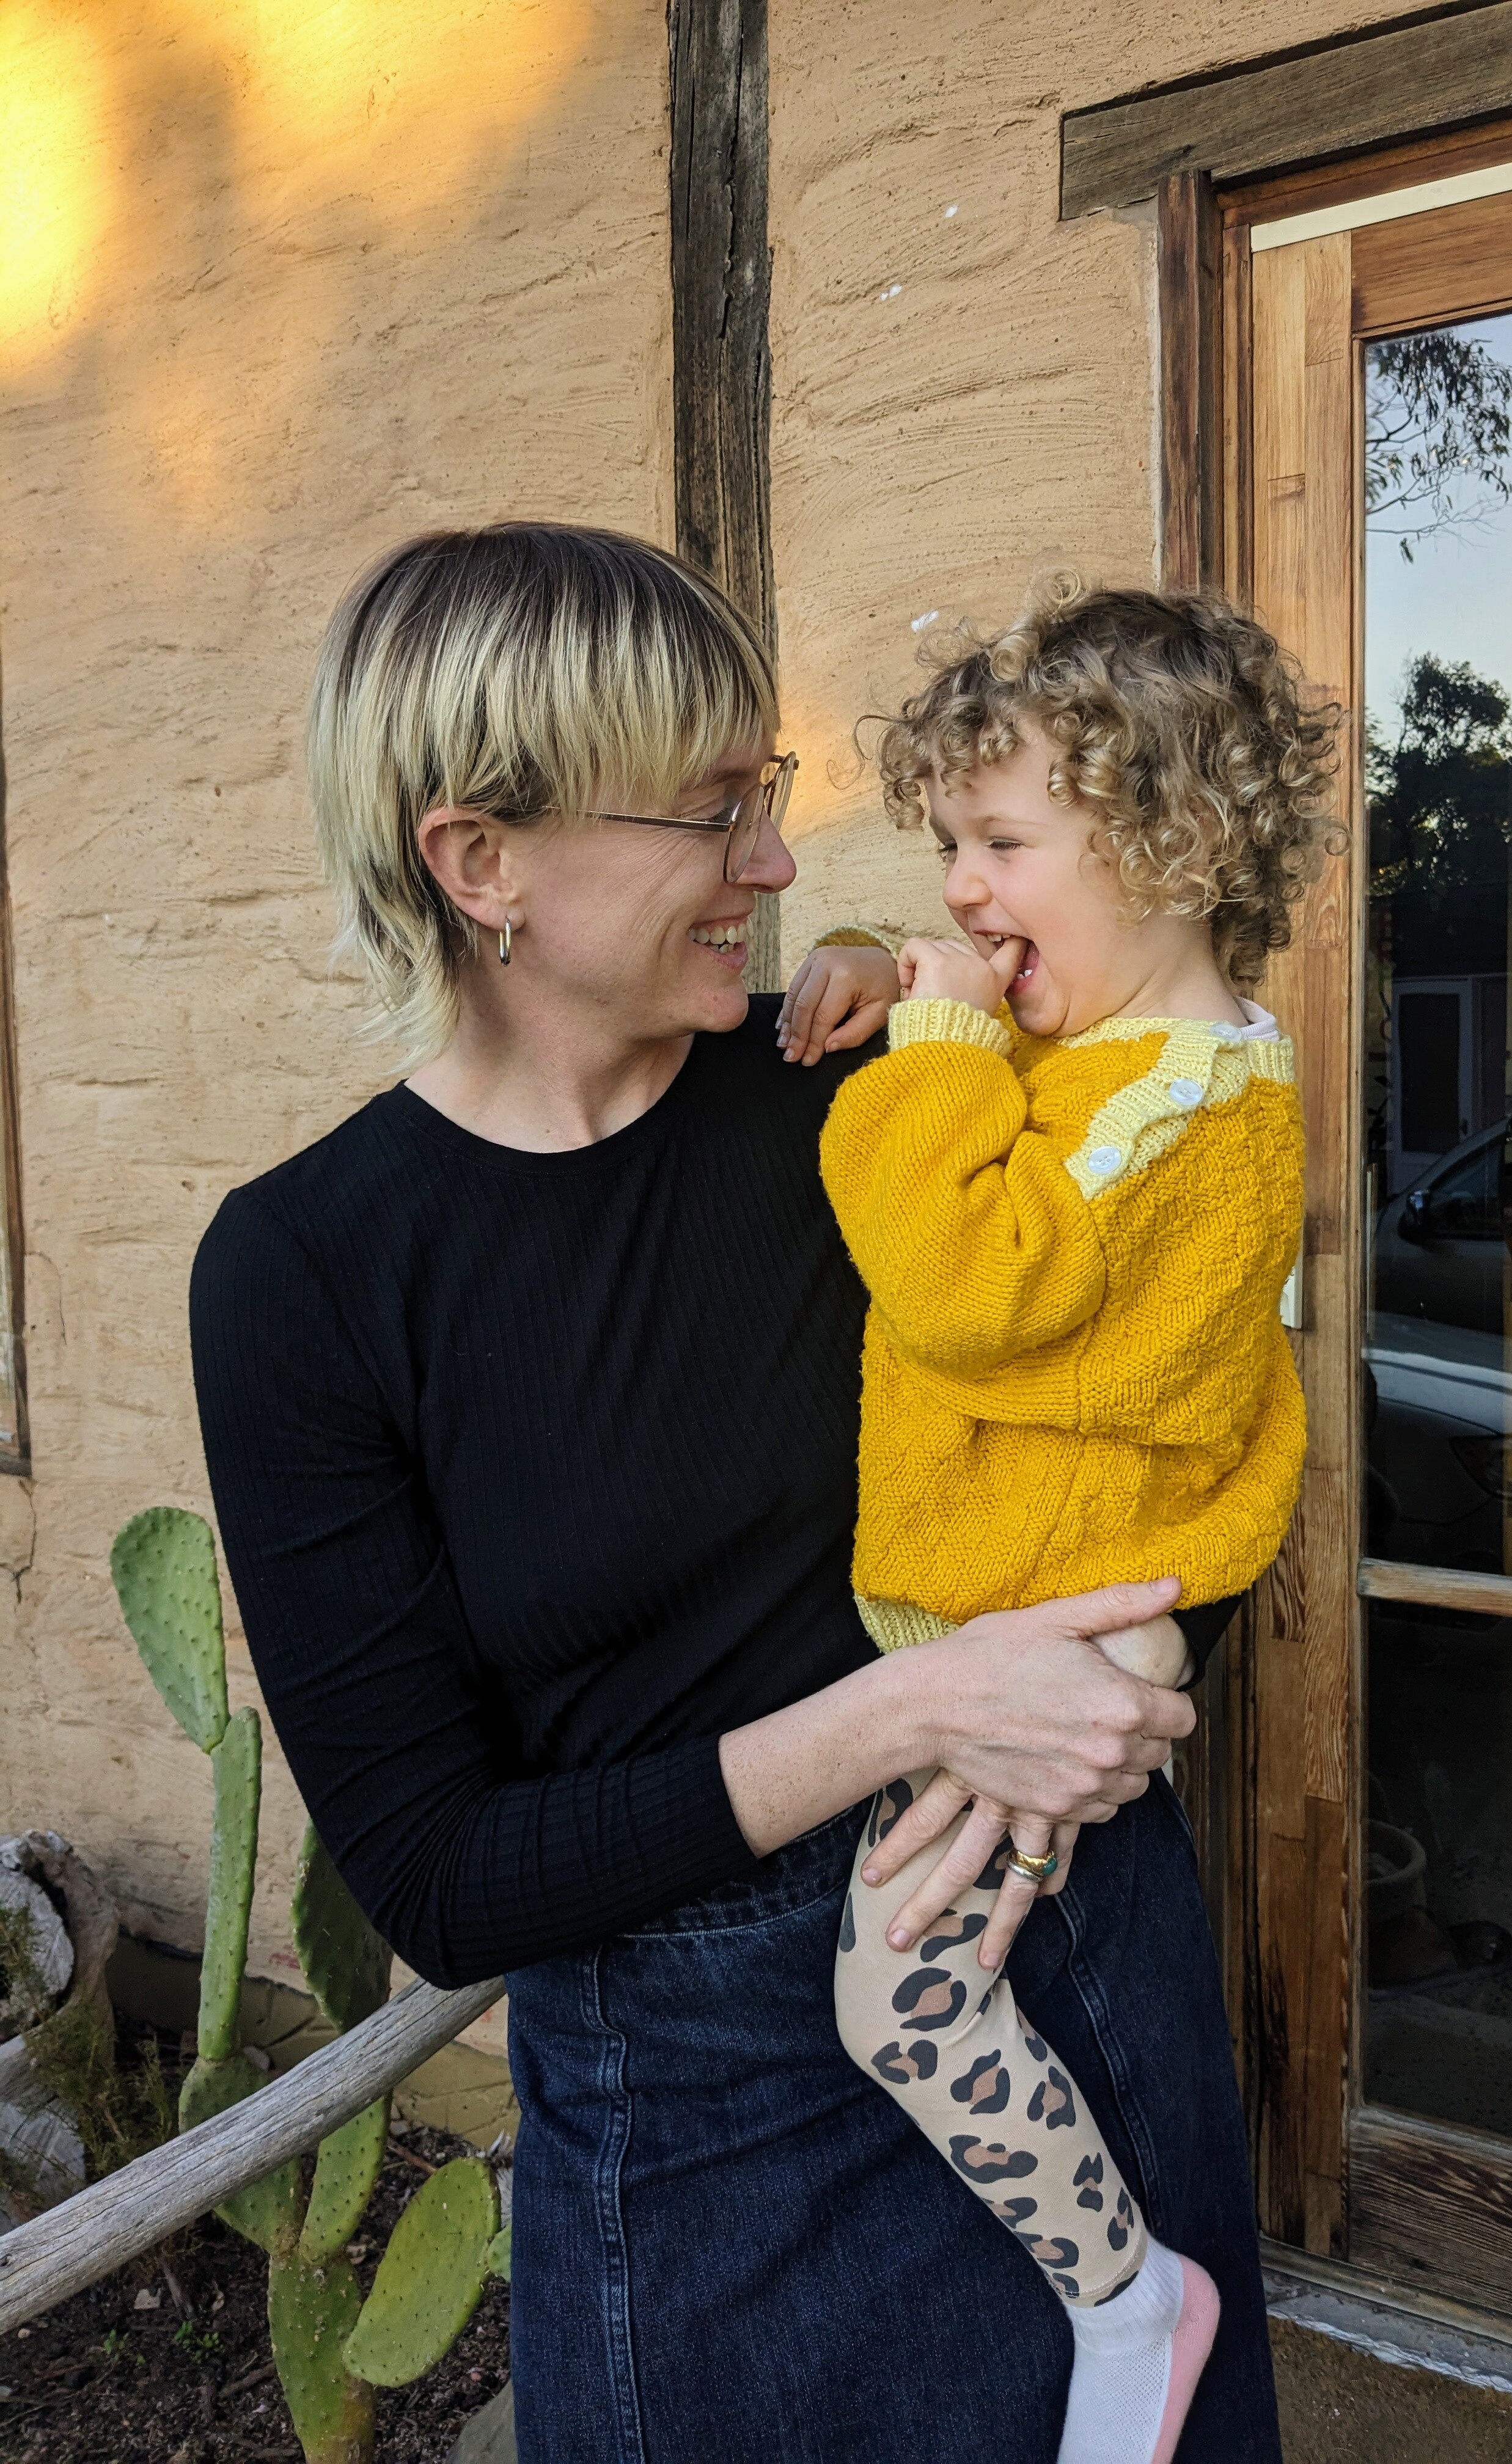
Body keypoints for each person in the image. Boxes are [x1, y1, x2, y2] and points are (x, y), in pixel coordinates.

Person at [188, 524, 1285, 2463]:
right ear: (481, 862)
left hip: (1058, 1973)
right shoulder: (309, 1273)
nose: (777, 867)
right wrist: (918, 1708)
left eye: (763, 799)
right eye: (713, 813)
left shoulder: (874, 1117)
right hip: (699, 2135)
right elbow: (435, 1877)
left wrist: (1126, 1678)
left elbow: (1160, 1394)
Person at [776, 581, 1335, 2464]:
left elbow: (973, 1278)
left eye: (1002, 844)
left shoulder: (1176, 1116)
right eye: (949, 848)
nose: (962, 892)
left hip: (1023, 1660)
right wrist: (880, 965)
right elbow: (1011, 1102)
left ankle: (1126, 2301)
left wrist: (922, 1058)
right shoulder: (1141, 1062)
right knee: (921, 2000)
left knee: (901, 2014)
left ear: (1170, 843)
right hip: (1037, 1643)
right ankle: (1122, 2301)